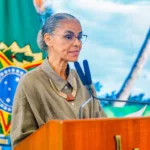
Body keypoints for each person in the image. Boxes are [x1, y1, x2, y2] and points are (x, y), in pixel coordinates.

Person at [10, 13, 107, 148]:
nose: (77, 43)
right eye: (68, 37)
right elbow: (22, 143)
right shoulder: (30, 82)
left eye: (79, 37)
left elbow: (105, 127)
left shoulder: (83, 80)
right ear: (48, 39)